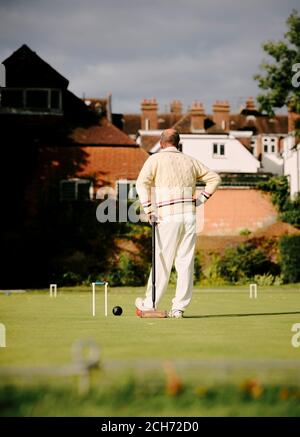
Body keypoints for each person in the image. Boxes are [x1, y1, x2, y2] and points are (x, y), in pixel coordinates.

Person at [135, 128, 221, 318]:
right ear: (178, 143)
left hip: (167, 216)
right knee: (185, 262)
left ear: (161, 142)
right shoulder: (190, 161)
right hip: (189, 217)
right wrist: (200, 200)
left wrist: (149, 210)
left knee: (162, 260)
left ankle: (150, 303)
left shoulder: (155, 159)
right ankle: (178, 308)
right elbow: (215, 178)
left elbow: (141, 184)